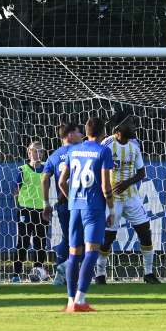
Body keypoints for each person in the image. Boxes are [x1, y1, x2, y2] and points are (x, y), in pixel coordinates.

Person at [58, 117, 115, 312]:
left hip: (74, 208)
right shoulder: (104, 151)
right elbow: (106, 185)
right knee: (92, 252)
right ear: (102, 133)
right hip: (93, 208)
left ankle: (69, 301)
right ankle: (80, 301)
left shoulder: (73, 150)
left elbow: (61, 182)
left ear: (86, 131)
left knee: (74, 254)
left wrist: (72, 198)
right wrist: (111, 209)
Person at [96, 114, 159, 284]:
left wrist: (127, 183)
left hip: (131, 197)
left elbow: (141, 172)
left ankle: (148, 273)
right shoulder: (107, 145)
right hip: (112, 199)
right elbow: (98, 169)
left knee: (145, 231)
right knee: (108, 237)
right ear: (118, 129)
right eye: (130, 124)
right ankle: (100, 274)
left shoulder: (135, 145)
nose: (134, 126)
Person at [41, 122, 84, 286]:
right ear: (70, 135)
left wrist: (46, 203)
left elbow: (44, 179)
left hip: (62, 205)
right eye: (79, 133)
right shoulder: (80, 151)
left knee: (68, 239)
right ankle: (65, 267)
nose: (82, 136)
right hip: (80, 202)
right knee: (87, 241)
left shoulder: (54, 156)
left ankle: (62, 274)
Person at [12, 141, 50, 282]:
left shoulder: (47, 169)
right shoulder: (22, 169)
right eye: (35, 151)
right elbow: (15, 191)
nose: (38, 154)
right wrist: (20, 207)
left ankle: (38, 272)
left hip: (42, 211)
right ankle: (16, 274)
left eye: (41, 151)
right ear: (29, 153)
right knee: (23, 242)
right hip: (25, 210)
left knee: (40, 243)